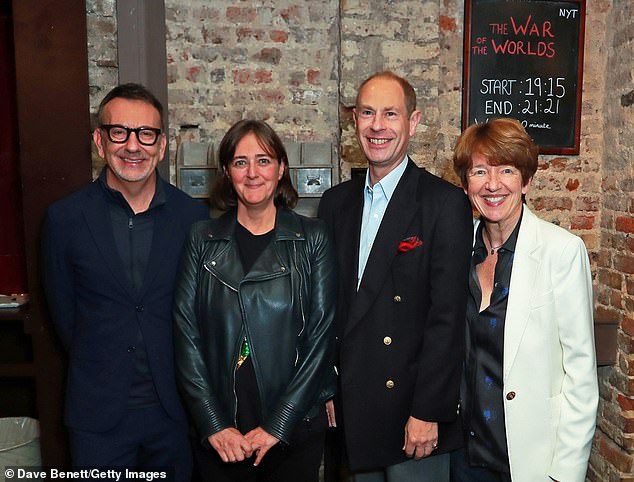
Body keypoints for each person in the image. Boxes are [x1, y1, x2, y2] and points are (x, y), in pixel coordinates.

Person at [42, 83, 208, 480]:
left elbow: (202, 313)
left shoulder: (194, 219)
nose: (133, 146)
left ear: (162, 145)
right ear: (100, 141)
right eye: (120, 132)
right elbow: (65, 315)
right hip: (97, 416)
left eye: (146, 134)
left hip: (174, 414)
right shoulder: (64, 220)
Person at [317, 71, 473, 481]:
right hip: (352, 409)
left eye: (391, 113)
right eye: (367, 113)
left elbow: (448, 318)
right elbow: (329, 308)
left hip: (413, 417)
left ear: (413, 121)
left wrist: (429, 410)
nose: (377, 126)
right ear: (355, 122)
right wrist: (328, 386)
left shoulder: (444, 203)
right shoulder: (335, 204)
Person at [173, 119, 337, 482]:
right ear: (227, 172)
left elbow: (321, 341)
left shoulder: (313, 239)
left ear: (281, 169)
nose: (252, 173)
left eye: (263, 160)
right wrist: (212, 423)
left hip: (292, 431)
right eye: (240, 162)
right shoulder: (201, 239)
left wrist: (279, 424)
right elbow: (186, 338)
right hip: (221, 435)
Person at [449, 118, 598, 482]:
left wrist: (565, 473)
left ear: (526, 181)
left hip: (528, 459)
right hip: (459, 455)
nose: (493, 184)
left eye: (507, 170)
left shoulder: (561, 252)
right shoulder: (453, 247)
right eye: (479, 171)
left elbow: (580, 374)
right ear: (466, 183)